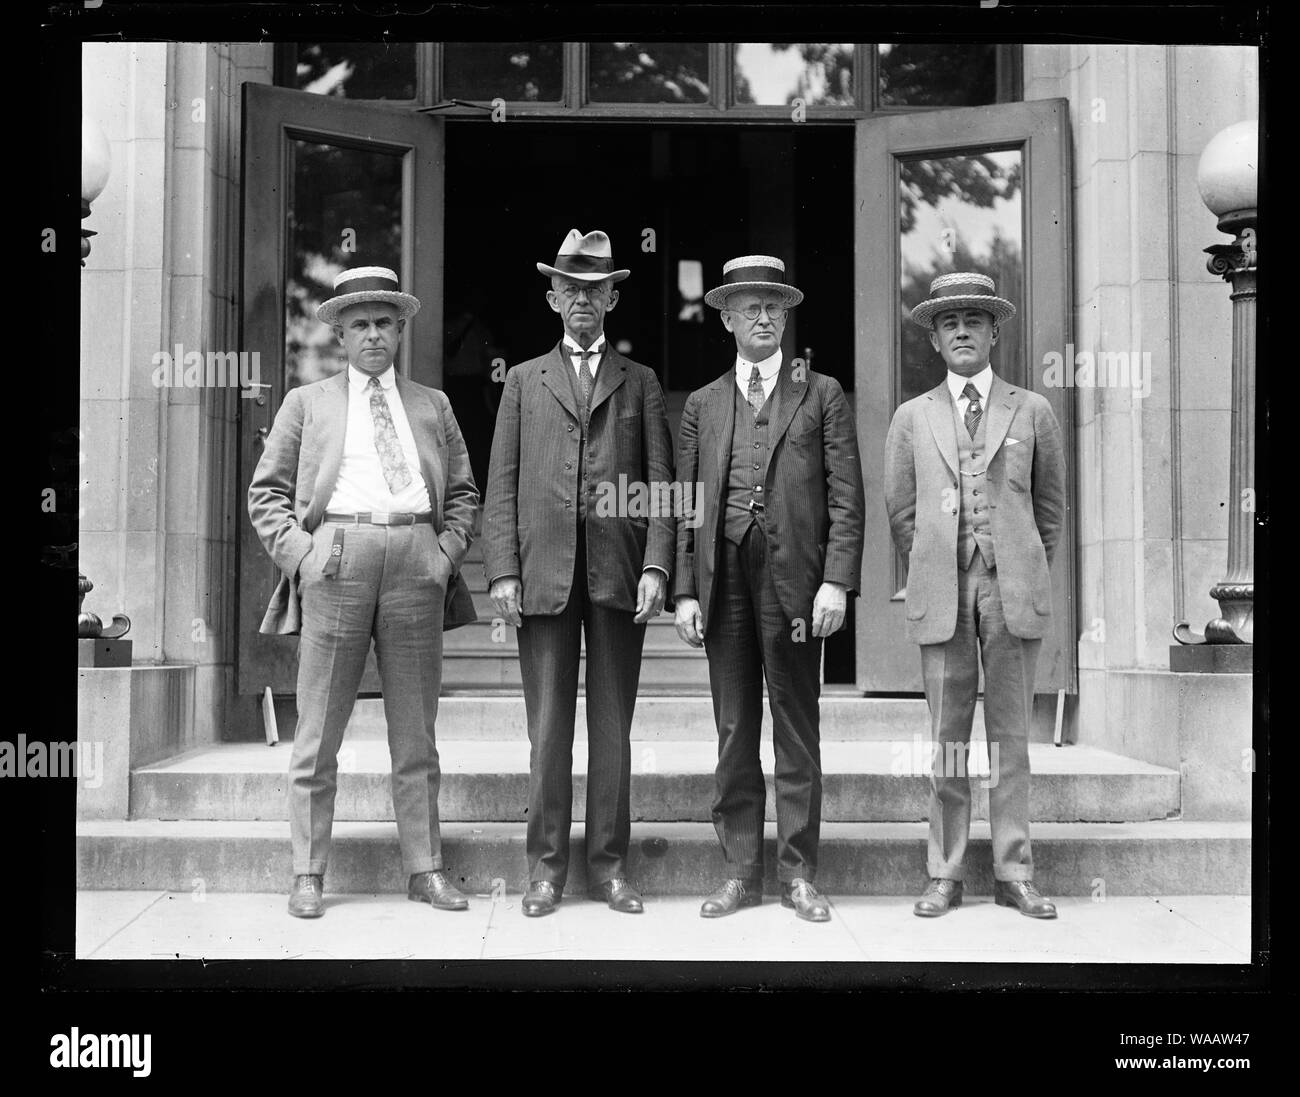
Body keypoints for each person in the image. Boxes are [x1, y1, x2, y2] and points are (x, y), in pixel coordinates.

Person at [248, 266, 478, 919]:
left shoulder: (433, 404)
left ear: (400, 329)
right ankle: (308, 871)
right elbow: (265, 494)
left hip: (414, 559)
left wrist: (445, 555)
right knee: (318, 727)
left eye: (384, 322)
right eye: (361, 324)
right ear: (342, 334)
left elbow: (463, 494)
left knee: (416, 732)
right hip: (337, 559)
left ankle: (424, 868)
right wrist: (302, 555)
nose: (374, 334)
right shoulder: (307, 403)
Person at [482, 229, 675, 917]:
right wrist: (502, 570)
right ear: (552, 297)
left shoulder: (640, 382)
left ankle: (611, 867)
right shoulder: (523, 382)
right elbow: (500, 480)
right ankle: (545, 869)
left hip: (619, 573)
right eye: (572, 288)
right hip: (542, 574)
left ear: (613, 297)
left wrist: (657, 564)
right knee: (548, 728)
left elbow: (660, 484)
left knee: (613, 729)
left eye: (596, 289)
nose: (583, 300)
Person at [673, 255, 865, 922]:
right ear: (725, 318)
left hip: (796, 585)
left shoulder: (822, 393)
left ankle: (799, 874)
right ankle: (739, 872)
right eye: (749, 307)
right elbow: (688, 506)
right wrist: (685, 592)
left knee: (796, 725)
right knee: (733, 727)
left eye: (773, 306)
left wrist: (837, 580)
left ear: (786, 316)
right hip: (721, 580)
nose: (763, 317)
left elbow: (846, 499)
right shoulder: (701, 404)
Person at [884, 272, 1066, 919]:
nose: (962, 329)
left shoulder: (1032, 409)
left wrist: (1013, 561)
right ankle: (946, 869)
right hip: (943, 589)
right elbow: (901, 512)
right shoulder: (913, 417)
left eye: (974, 319)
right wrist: (940, 562)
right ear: (934, 337)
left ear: (994, 331)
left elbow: (1049, 512)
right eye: (949, 321)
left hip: (1012, 590)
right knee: (948, 738)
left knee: (1011, 737)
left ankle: (1015, 870)